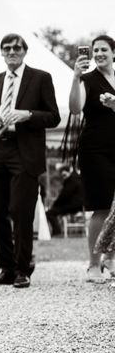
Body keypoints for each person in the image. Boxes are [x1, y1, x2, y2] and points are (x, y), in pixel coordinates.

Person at [0, 33, 60, 289]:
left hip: (24, 152)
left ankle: (23, 269)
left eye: (16, 48)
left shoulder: (40, 78)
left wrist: (28, 114)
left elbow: (53, 117)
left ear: (25, 51)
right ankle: (7, 268)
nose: (12, 51)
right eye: (7, 48)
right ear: (1, 52)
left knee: (21, 211)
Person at [69, 35, 115, 282]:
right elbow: (76, 108)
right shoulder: (87, 79)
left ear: (113, 53)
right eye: (95, 50)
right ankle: (93, 264)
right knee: (102, 206)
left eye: (103, 49)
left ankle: (110, 257)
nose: (98, 53)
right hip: (95, 149)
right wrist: (75, 77)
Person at [45, 164, 83, 237]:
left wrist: (55, 204)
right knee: (54, 211)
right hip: (79, 205)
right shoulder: (78, 178)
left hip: (73, 205)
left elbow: (64, 195)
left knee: (50, 213)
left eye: (64, 175)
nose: (63, 177)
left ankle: (57, 232)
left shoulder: (71, 180)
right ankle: (57, 231)